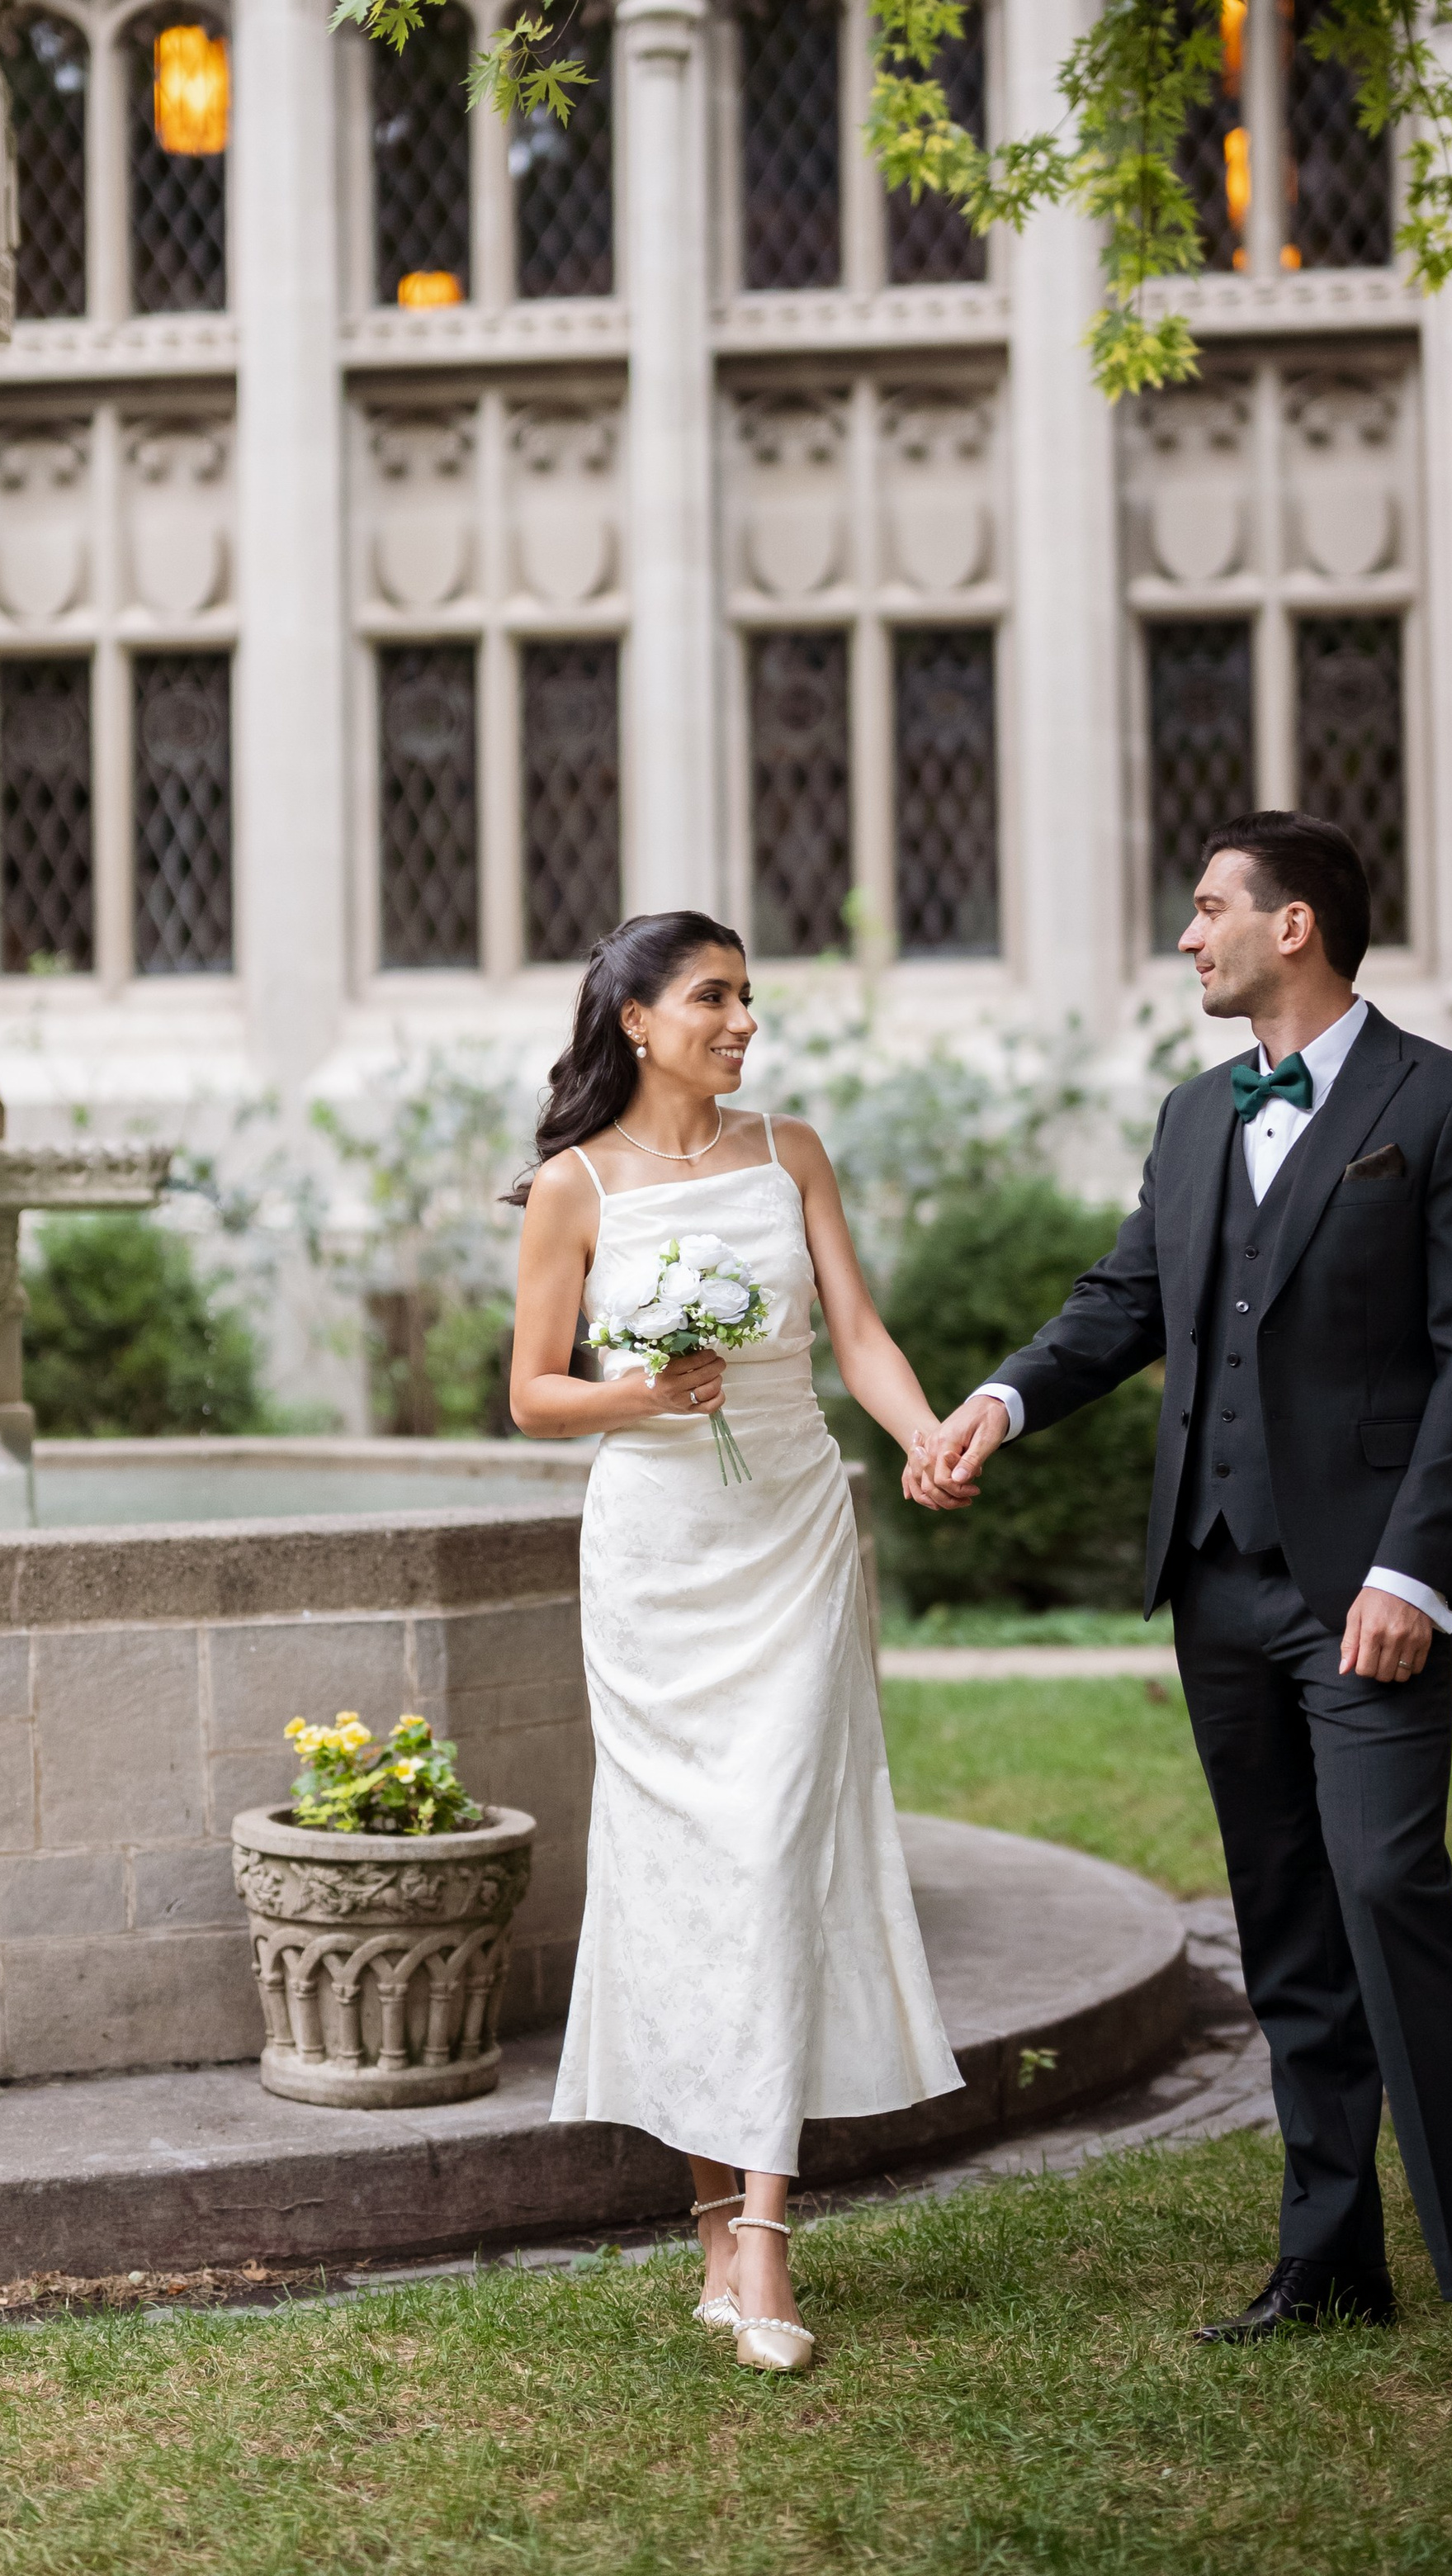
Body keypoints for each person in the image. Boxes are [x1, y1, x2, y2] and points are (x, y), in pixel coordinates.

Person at [910, 812, 1452, 2412]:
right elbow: (1126, 1298)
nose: (1184, 937)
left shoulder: (1451, 1108)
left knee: (1390, 1893)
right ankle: (1329, 2256)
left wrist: (1414, 1570)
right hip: (1213, 1585)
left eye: (1207, 911)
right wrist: (1001, 1398)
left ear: (1294, 927)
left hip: (1365, 1594)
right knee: (1282, 1926)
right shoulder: (1197, 1116)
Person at [513, 910, 962, 2375]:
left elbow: (861, 1337)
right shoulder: (572, 1189)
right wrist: (646, 1394)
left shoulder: (793, 1154)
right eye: (714, 997)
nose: (743, 1022)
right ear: (636, 1019)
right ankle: (716, 2227)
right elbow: (532, 1394)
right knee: (685, 1872)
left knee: (775, 1850)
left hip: (792, 1537)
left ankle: (762, 2236)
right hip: (654, 1562)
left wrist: (925, 1437)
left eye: (749, 999)